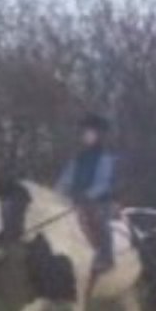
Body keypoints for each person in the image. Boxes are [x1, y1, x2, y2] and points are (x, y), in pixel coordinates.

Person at [55, 113, 119, 275]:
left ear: (98, 135)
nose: (84, 136)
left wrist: (86, 196)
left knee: (99, 221)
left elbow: (103, 184)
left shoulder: (106, 158)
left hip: (99, 203)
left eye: (88, 133)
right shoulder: (78, 159)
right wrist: (56, 194)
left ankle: (106, 257)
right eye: (83, 133)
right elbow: (65, 180)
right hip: (76, 201)